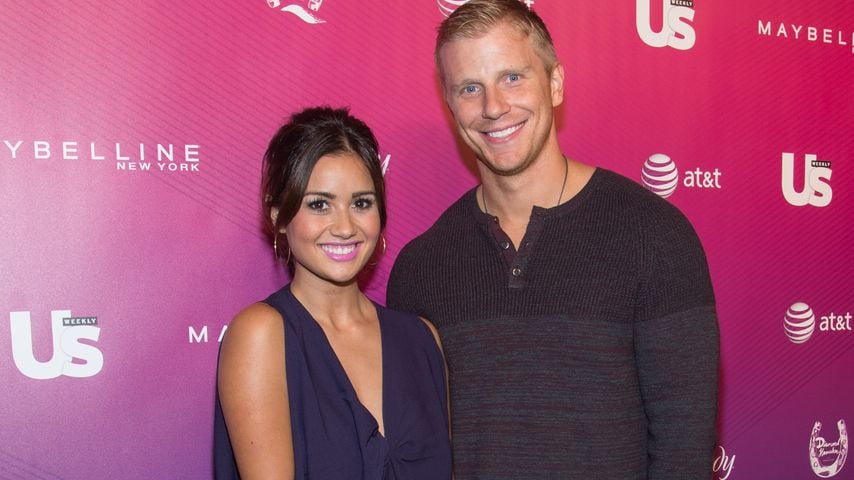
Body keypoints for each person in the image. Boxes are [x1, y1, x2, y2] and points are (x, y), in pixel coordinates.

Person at [387, 1, 719, 479]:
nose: (493, 107)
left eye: (513, 78)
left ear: (556, 83)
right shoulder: (421, 267)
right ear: (450, 103)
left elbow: (683, 451)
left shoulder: (655, 236)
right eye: (470, 87)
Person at [214, 107, 452, 479]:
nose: (344, 227)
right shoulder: (262, 335)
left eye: (361, 203)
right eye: (319, 204)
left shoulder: (423, 340)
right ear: (278, 215)